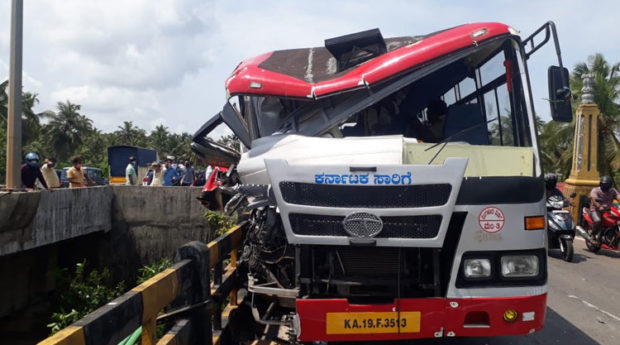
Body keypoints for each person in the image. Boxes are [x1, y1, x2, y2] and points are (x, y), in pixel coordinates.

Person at [590, 175, 620, 241]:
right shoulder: (595, 190)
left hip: (609, 210)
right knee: (598, 221)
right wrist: (599, 206)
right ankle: (593, 234)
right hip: (596, 210)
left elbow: (618, 196)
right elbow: (594, 200)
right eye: (603, 184)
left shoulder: (613, 191)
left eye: (606, 184)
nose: (605, 186)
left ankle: (611, 235)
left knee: (616, 220)